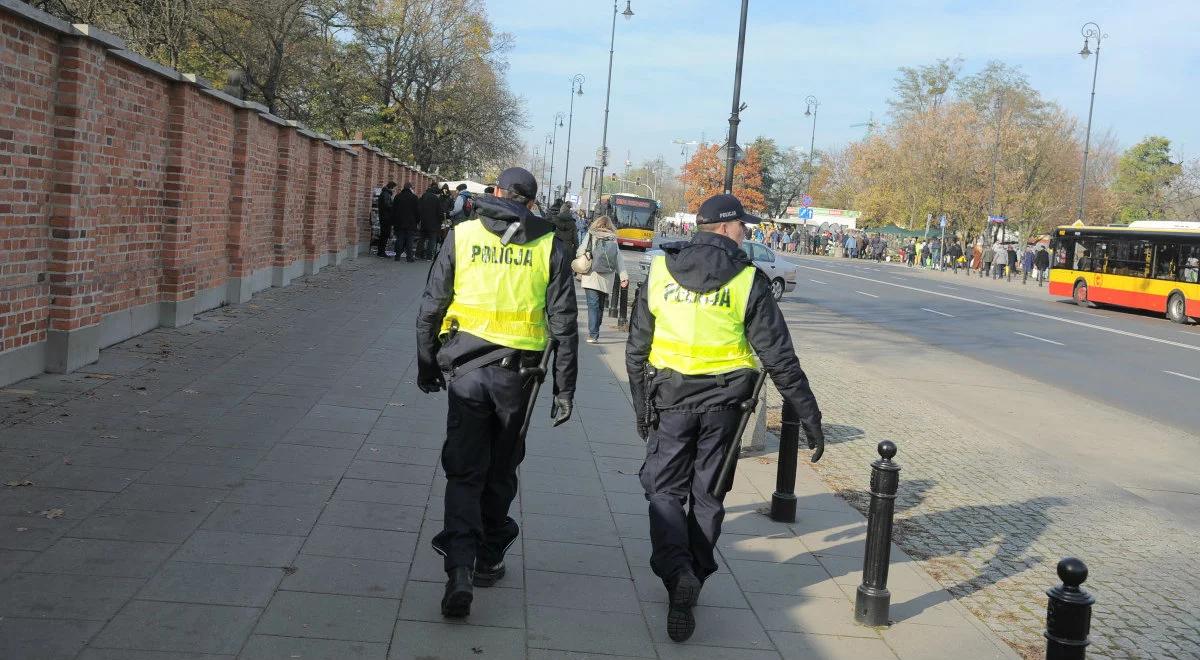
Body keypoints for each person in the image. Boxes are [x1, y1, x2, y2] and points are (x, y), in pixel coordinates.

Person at [625, 194, 825, 643]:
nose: (748, 232)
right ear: (724, 227)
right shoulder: (746, 281)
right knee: (709, 494)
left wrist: (641, 405)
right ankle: (692, 573)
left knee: (663, 490)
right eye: (743, 226)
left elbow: (637, 348)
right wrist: (809, 416)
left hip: (671, 402)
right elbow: (780, 357)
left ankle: (677, 573)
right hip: (725, 408)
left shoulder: (659, 271)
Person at [415, 167, 579, 618]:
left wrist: (427, 364)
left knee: (465, 471)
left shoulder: (463, 235)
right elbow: (564, 325)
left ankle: (461, 568)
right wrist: (564, 389)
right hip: (518, 377)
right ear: (531, 202)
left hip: (466, 371)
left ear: (497, 194)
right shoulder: (549, 245)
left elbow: (431, 306)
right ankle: (488, 554)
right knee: (502, 466)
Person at [578, 215, 628, 343]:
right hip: (606, 277)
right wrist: (623, 277)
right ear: (610, 226)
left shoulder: (590, 235)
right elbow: (618, 259)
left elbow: (580, 252)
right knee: (599, 305)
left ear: (597, 224)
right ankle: (596, 327)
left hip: (591, 275)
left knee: (592, 305)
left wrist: (587, 255)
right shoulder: (612, 238)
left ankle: (593, 334)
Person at [415, 184, 443, 264]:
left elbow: (418, 208)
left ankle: (418, 254)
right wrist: (440, 220)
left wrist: (419, 219)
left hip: (423, 222)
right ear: (436, 193)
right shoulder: (436, 199)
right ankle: (429, 256)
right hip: (433, 223)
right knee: (432, 240)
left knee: (422, 239)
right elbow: (439, 212)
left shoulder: (423, 197)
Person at [392, 182, 420, 262]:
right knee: (409, 240)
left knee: (399, 238)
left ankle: (397, 256)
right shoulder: (414, 197)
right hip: (411, 222)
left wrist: (394, 221)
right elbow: (417, 211)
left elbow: (393, 210)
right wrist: (417, 221)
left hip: (399, 222)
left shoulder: (397, 197)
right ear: (410, 188)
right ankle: (409, 257)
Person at [376, 181, 396, 257]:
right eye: (394, 188)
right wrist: (393, 206)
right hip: (386, 218)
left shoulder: (385, 193)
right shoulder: (386, 194)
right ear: (391, 187)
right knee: (384, 235)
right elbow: (387, 205)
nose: (394, 190)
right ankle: (381, 252)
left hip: (384, 217)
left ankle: (381, 251)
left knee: (384, 235)